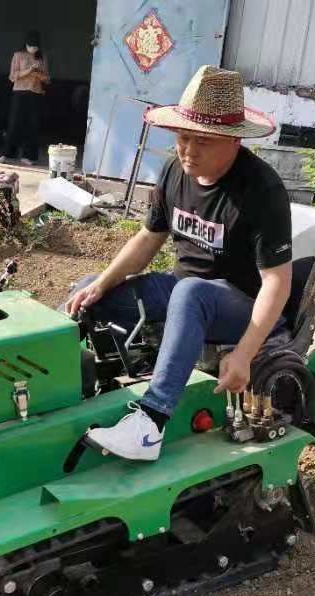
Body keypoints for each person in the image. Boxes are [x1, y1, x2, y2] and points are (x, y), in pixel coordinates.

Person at [64, 66, 293, 462]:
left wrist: (243, 354)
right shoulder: (174, 170)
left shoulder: (262, 189)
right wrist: (101, 283)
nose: (188, 150)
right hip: (183, 291)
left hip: (240, 304)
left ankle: (150, 424)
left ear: (234, 139)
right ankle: (68, 385)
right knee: (88, 293)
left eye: (202, 141)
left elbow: (277, 282)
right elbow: (149, 237)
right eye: (182, 137)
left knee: (191, 294)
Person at [0, 31, 50, 167]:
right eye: (32, 46)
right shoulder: (18, 55)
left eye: (36, 46)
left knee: (33, 125)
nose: (34, 49)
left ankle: (30, 156)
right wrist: (29, 70)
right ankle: (7, 153)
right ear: (26, 44)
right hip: (19, 92)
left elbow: (47, 79)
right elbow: (12, 76)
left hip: (36, 93)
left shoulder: (41, 56)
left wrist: (37, 73)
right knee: (14, 123)